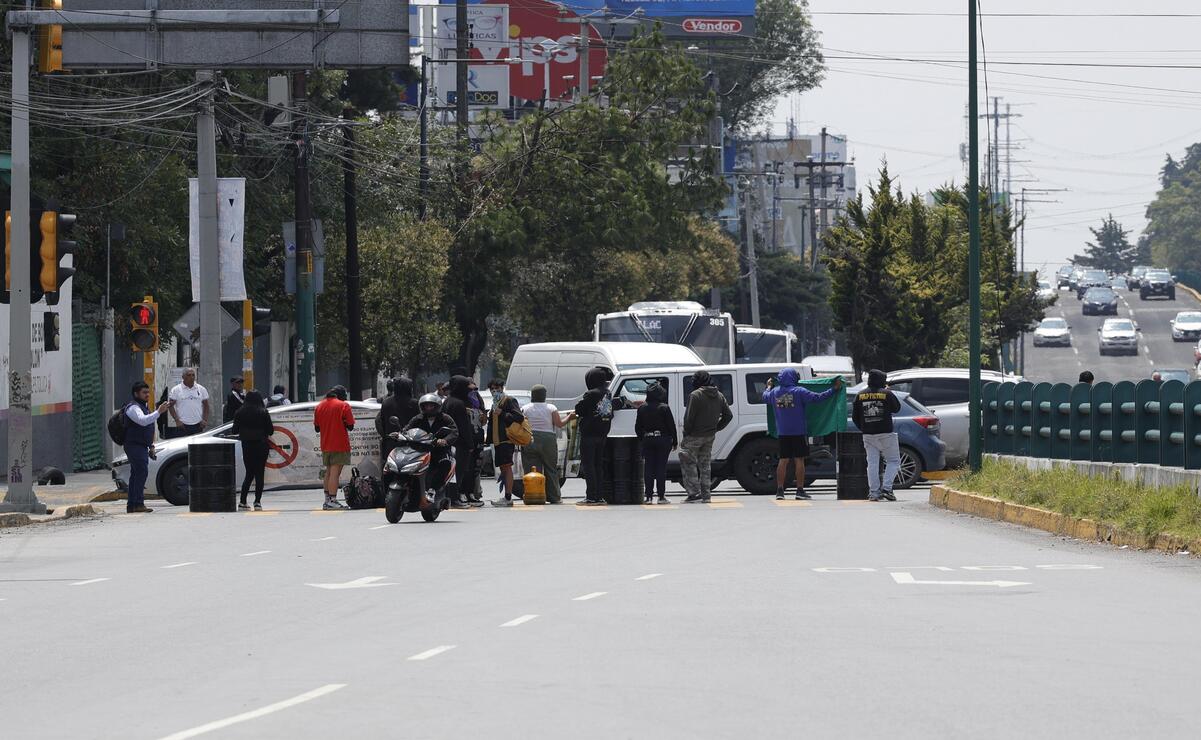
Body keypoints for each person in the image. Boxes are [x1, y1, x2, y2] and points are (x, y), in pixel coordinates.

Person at [763, 368, 841, 500]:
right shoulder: (799, 391)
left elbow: (764, 397)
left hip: (783, 433)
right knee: (799, 460)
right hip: (799, 432)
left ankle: (780, 491)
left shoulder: (774, 393)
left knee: (783, 461)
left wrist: (768, 386)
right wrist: (833, 389)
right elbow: (818, 398)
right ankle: (799, 490)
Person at [680, 371, 733, 503]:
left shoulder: (695, 395)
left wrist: (686, 432)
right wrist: (716, 428)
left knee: (688, 461)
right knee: (705, 465)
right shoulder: (719, 395)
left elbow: (689, 418)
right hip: (709, 435)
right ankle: (706, 494)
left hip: (694, 436)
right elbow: (728, 416)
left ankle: (694, 492)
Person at [122, 381, 172, 514]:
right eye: (144, 392)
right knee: (141, 473)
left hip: (141, 445)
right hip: (134, 445)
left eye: (148, 392)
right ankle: (137, 503)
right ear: (136, 393)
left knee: (137, 474)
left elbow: (148, 428)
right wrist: (159, 412)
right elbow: (143, 421)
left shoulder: (143, 406)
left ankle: (133, 504)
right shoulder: (133, 408)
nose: (147, 395)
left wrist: (151, 446)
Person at [852, 370, 902, 502]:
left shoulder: (860, 394)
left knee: (872, 463)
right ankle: (887, 488)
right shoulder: (886, 393)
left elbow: (855, 417)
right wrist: (887, 391)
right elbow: (897, 408)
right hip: (886, 433)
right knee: (894, 461)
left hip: (868, 435)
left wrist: (864, 428)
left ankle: (874, 493)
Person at [574, 367, 619, 506]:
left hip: (589, 434)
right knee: (598, 465)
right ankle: (599, 496)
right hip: (602, 433)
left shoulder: (591, 394)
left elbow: (579, 409)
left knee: (589, 466)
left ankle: (591, 496)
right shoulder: (607, 393)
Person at [522, 384, 569, 504]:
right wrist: (570, 417)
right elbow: (559, 424)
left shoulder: (525, 408)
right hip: (548, 439)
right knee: (551, 468)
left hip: (530, 438)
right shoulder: (551, 408)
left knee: (532, 469)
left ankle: (534, 495)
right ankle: (554, 497)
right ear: (544, 395)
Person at [404, 393, 458, 494]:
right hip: (420, 449)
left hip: (439, 450)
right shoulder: (418, 418)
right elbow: (407, 429)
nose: (428, 408)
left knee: (445, 463)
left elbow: (454, 431)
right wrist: (399, 435)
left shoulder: (445, 418)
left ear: (437, 406)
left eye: (431, 405)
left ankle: (433, 489)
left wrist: (445, 440)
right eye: (426, 405)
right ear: (422, 406)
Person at [442, 375, 482, 508]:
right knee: (458, 472)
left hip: (449, 442)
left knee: (450, 472)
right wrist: (470, 444)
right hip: (460, 444)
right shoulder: (459, 404)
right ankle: (454, 499)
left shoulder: (448, 401)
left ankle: (450, 497)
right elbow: (463, 427)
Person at [635, 380, 677, 504]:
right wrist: (674, 440)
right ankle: (661, 496)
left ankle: (648, 496)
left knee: (648, 467)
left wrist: (642, 439)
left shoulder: (642, 408)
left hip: (648, 439)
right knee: (660, 468)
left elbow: (638, 427)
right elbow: (671, 426)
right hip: (663, 440)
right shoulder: (664, 407)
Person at [313, 385, 355, 510]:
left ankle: (327, 500)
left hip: (325, 444)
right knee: (335, 474)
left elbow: (317, 428)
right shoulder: (343, 406)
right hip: (340, 443)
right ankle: (333, 500)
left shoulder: (319, 406)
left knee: (329, 472)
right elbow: (351, 426)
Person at [232, 390, 274, 510]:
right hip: (261, 445)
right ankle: (257, 502)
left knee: (249, 473)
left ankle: (243, 501)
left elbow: (234, 430)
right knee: (260, 473)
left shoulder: (239, 412)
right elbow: (270, 430)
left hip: (247, 445)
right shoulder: (263, 412)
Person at [487, 385, 525, 507]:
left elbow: (519, 417)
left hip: (506, 440)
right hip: (498, 441)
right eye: (492, 389)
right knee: (503, 468)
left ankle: (508, 497)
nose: (494, 391)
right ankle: (506, 496)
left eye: (497, 388)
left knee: (507, 467)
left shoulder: (509, 400)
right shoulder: (495, 403)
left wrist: (502, 413)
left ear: (502, 388)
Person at [376, 376, 419, 469]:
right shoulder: (414, 403)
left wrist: (385, 436)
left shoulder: (386, 403)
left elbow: (380, 421)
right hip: (411, 443)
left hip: (391, 443)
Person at [168, 368, 210, 437]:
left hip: (198, 425)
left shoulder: (201, 389)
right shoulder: (176, 390)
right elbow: (170, 406)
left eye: (193, 375)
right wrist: (177, 420)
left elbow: (206, 405)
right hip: (183, 425)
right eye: (189, 375)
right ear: (183, 377)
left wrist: (205, 420)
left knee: (196, 447)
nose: (191, 377)